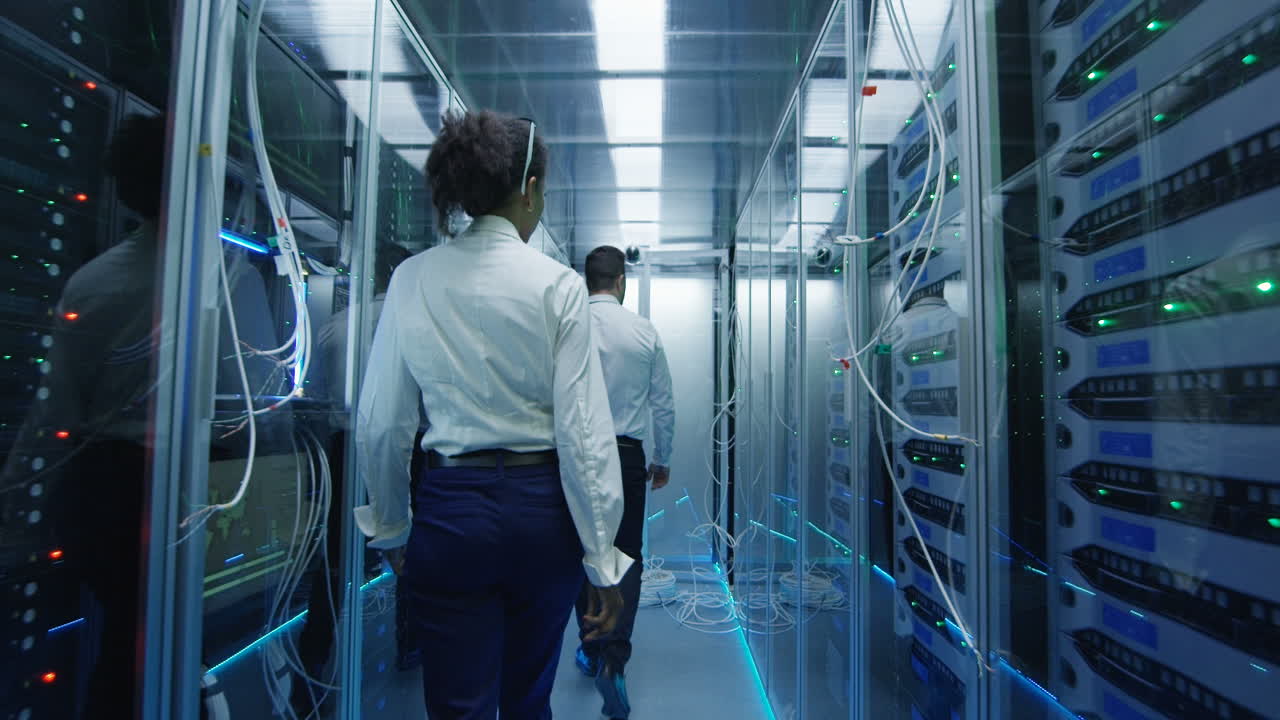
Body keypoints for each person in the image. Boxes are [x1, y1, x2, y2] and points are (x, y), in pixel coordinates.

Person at [353, 109, 631, 719]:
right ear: (529, 188)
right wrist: (600, 559)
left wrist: (393, 526)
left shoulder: (410, 279)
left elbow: (381, 420)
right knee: (527, 697)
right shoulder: (559, 286)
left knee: (457, 703)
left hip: (450, 508)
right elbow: (583, 436)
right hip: (541, 513)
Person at [572, 246, 676, 720]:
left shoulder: (567, 325)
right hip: (627, 457)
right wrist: (663, 459)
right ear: (620, 282)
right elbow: (664, 405)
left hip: (574, 453)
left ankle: (590, 649)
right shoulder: (643, 331)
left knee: (583, 552)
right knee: (626, 556)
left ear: (586, 279)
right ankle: (615, 660)